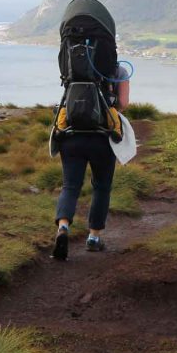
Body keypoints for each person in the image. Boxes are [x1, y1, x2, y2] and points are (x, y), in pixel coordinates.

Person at [52, 63, 130, 260]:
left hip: (70, 135)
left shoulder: (72, 65)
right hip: (102, 137)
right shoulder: (117, 70)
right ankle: (93, 238)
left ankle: (63, 227)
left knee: (70, 186)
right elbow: (123, 103)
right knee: (102, 187)